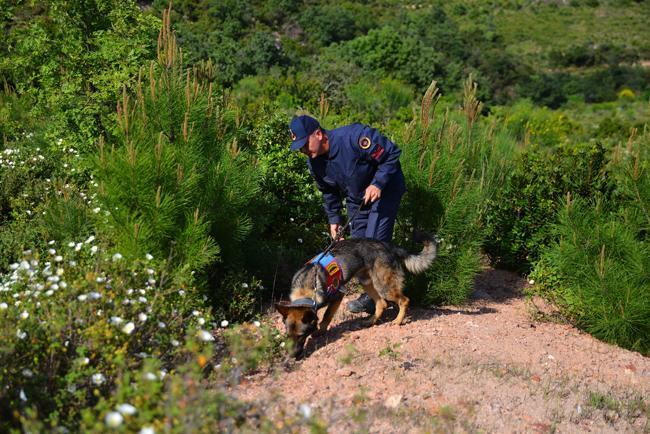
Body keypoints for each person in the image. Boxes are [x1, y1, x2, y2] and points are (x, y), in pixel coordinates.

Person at [288, 114, 406, 314]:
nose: (303, 150)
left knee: (373, 245)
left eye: (305, 143)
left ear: (318, 134)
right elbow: (328, 192)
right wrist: (334, 220)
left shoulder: (354, 137)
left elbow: (391, 154)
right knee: (357, 249)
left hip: (385, 191)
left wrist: (378, 183)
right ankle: (375, 295)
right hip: (358, 197)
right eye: (299, 147)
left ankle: (379, 297)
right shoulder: (314, 162)